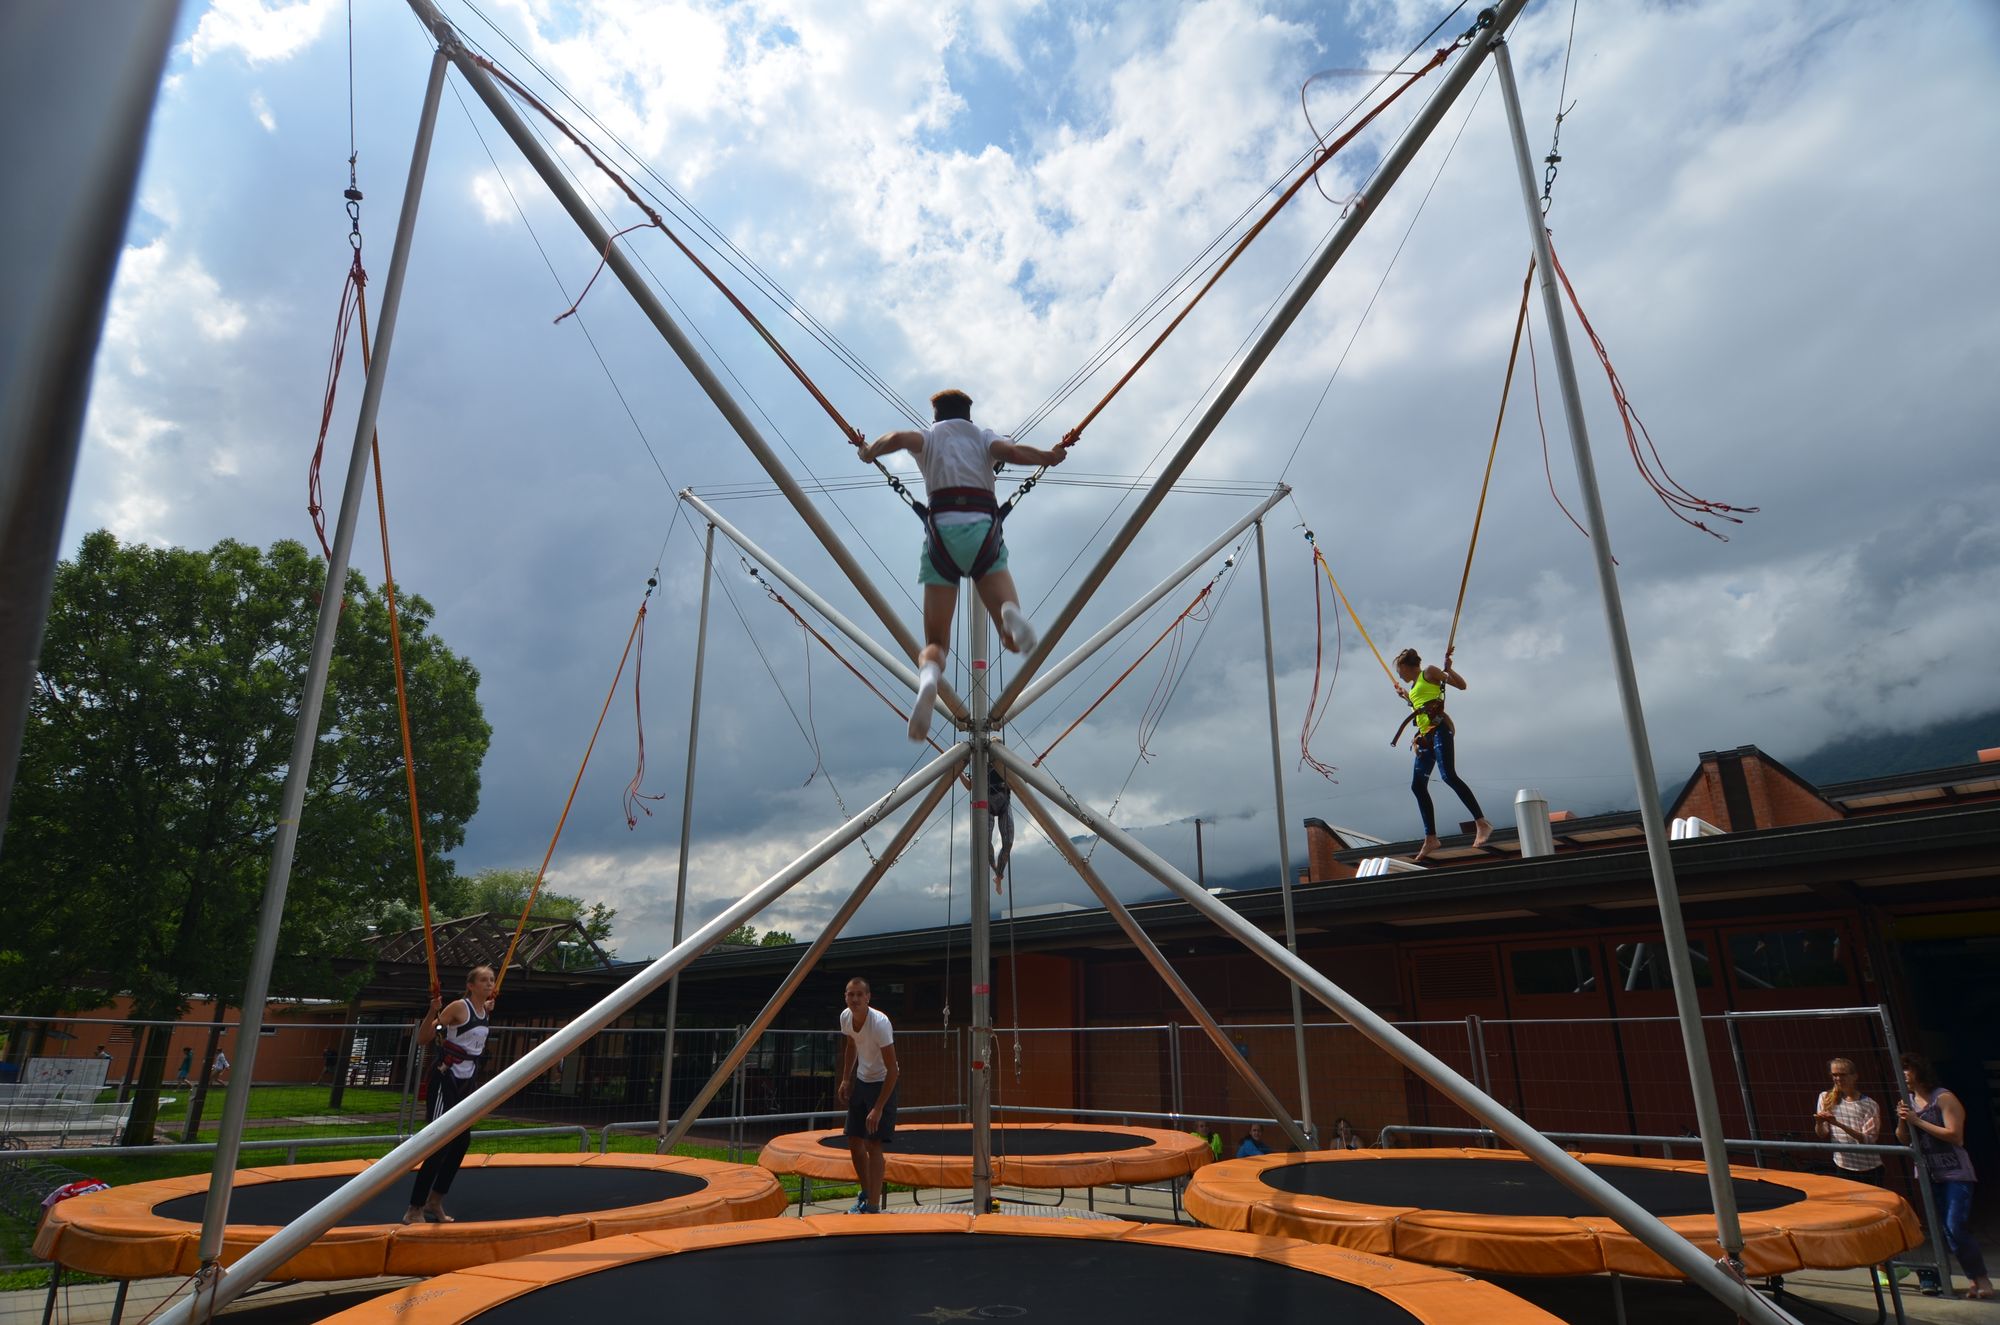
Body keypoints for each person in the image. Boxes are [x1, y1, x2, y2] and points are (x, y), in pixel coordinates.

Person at [857, 389, 1068, 742]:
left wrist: (868, 452)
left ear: (935, 416)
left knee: (937, 642)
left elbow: (896, 439)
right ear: (969, 415)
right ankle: (1009, 616)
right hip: (983, 535)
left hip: (941, 539)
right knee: (1010, 639)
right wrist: (1050, 456)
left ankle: (929, 677)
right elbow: (1014, 453)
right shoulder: (984, 438)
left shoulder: (927, 438)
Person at [405, 966, 497, 1225]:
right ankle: (414, 1208)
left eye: (491, 980)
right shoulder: (458, 1008)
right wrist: (433, 1011)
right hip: (445, 1078)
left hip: (467, 1082)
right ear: (471, 985)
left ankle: (435, 1200)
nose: (489, 984)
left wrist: (486, 1008)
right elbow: (424, 1037)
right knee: (440, 1142)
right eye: (483, 980)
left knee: (461, 1141)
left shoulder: (484, 1010)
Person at [1896, 1052, 1991, 1299]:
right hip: (1928, 1174)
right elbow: (1903, 1139)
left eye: (1907, 1069)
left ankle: (1982, 1278)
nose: (1903, 1074)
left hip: (1955, 1172)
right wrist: (1903, 1120)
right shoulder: (1908, 1101)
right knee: (1946, 1231)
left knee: (1955, 1225)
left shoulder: (1943, 1097)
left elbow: (1955, 1136)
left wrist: (1917, 1121)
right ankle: (1972, 1280)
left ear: (1919, 1071)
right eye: (1900, 1069)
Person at [1392, 647, 1492, 860]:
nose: (1398, 675)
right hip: (1425, 737)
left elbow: (1462, 686)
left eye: (1399, 670)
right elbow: (1419, 705)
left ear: (1405, 666)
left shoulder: (1429, 672)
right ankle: (1431, 838)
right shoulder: (1414, 688)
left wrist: (1449, 670)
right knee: (1417, 786)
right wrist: (1405, 696)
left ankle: (1482, 823)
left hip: (1439, 730)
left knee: (1448, 775)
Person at [837, 977, 899, 1214]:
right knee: (854, 1140)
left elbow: (893, 1070)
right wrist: (846, 1078)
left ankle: (873, 1205)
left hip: (883, 1082)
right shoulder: (845, 1017)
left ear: (868, 997)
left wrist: (878, 1108)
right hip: (862, 1081)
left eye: (859, 995)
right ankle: (865, 1193)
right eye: (850, 994)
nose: (854, 999)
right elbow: (851, 1045)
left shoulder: (880, 1023)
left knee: (873, 1143)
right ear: (845, 997)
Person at [1812, 1057, 1882, 1182]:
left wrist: (1838, 1124)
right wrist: (1819, 1123)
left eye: (1843, 1074)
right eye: (1835, 1075)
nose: (1838, 1078)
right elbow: (1822, 1134)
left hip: (1868, 1167)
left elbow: (1868, 1139)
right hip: (1842, 1165)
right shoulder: (1825, 1098)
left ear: (1854, 1076)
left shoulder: (1870, 1104)